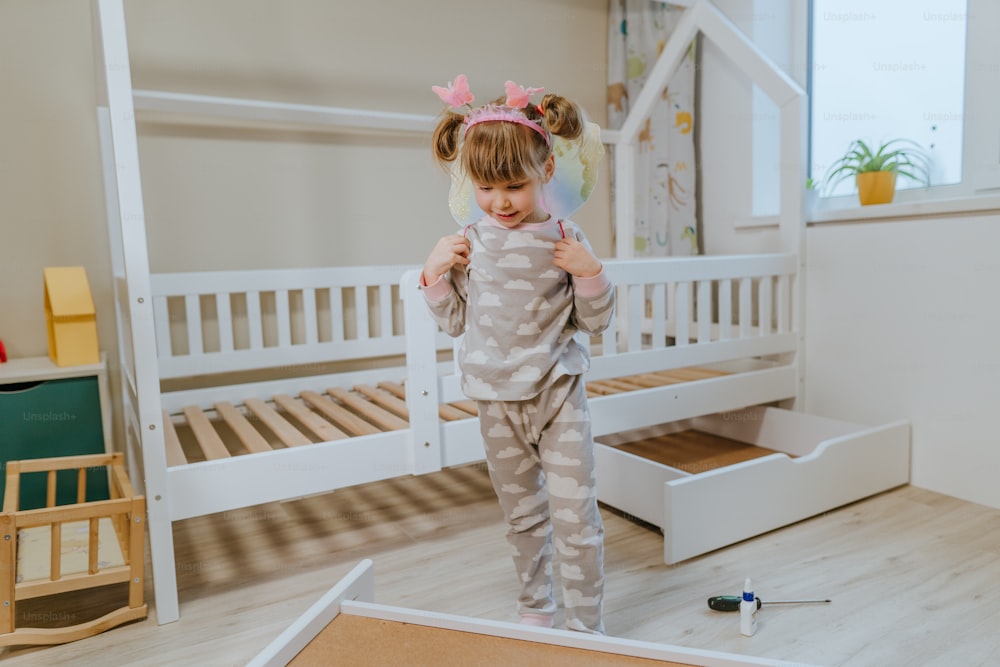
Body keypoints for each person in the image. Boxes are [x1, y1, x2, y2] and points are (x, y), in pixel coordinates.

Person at [420, 75, 615, 635]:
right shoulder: (468, 243)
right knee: (522, 516)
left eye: (513, 186)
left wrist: (592, 275)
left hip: (558, 394)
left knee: (576, 517)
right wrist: (433, 273)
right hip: (494, 400)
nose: (499, 202)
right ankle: (535, 607)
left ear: (546, 172)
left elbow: (595, 323)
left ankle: (585, 628)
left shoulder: (564, 237)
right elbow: (455, 321)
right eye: (485, 188)